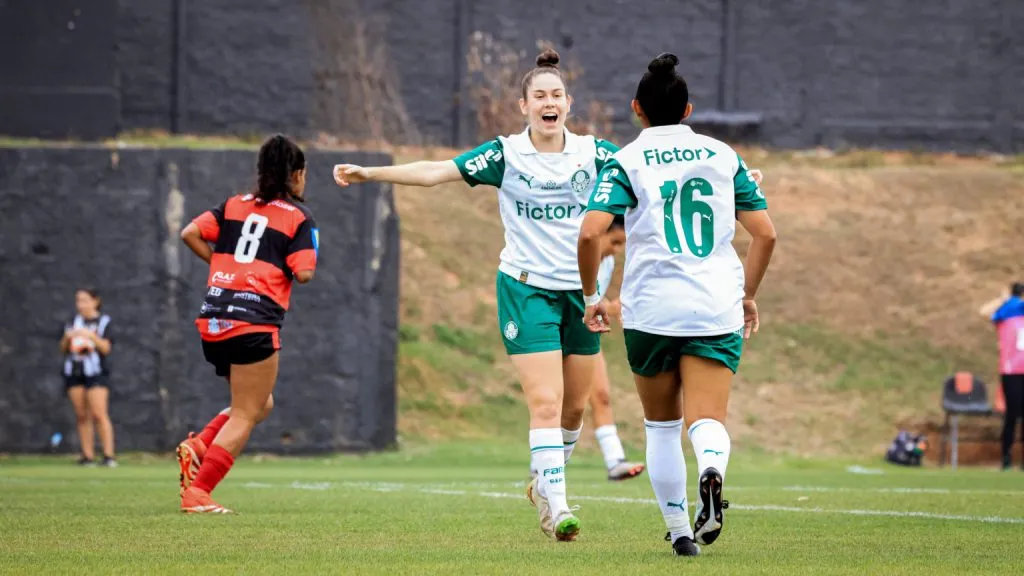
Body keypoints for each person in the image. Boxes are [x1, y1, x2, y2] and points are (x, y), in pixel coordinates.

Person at [334, 48, 616, 541]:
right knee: (546, 404)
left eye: (556, 95)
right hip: (526, 291)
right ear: (524, 105)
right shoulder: (505, 154)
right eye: (538, 96)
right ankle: (561, 506)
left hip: (580, 295)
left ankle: (541, 485)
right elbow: (436, 171)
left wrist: (737, 185)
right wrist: (371, 173)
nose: (548, 103)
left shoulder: (596, 155)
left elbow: (657, 184)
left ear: (569, 103)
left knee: (574, 411)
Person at [577, 53, 776, 556]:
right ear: (688, 109)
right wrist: (746, 295)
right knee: (707, 420)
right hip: (713, 305)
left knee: (661, 425)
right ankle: (712, 468)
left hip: (651, 309)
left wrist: (591, 295)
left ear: (636, 109)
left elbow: (590, 232)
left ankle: (680, 530)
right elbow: (766, 234)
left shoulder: (626, 160)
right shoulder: (721, 155)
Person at [176, 134, 318, 513]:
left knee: (259, 403)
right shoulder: (298, 218)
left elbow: (189, 232)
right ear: (297, 175)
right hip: (253, 323)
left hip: (214, 318)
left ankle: (200, 445)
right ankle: (198, 493)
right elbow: (303, 273)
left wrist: (223, 267)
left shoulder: (233, 205)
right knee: (245, 412)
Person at [59, 288, 117, 467]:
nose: (81, 304)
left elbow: (106, 348)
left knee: (99, 413)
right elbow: (63, 349)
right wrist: (68, 339)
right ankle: (87, 456)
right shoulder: (72, 322)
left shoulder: (104, 322)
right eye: (78, 300)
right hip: (75, 372)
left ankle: (108, 456)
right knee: (82, 415)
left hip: (96, 372)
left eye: (85, 300)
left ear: (95, 301)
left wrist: (90, 336)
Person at [980, 282, 1024, 470]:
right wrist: (1001, 299)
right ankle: (1006, 458)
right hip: (1011, 371)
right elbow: (984, 311)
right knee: (1012, 415)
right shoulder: (1006, 315)